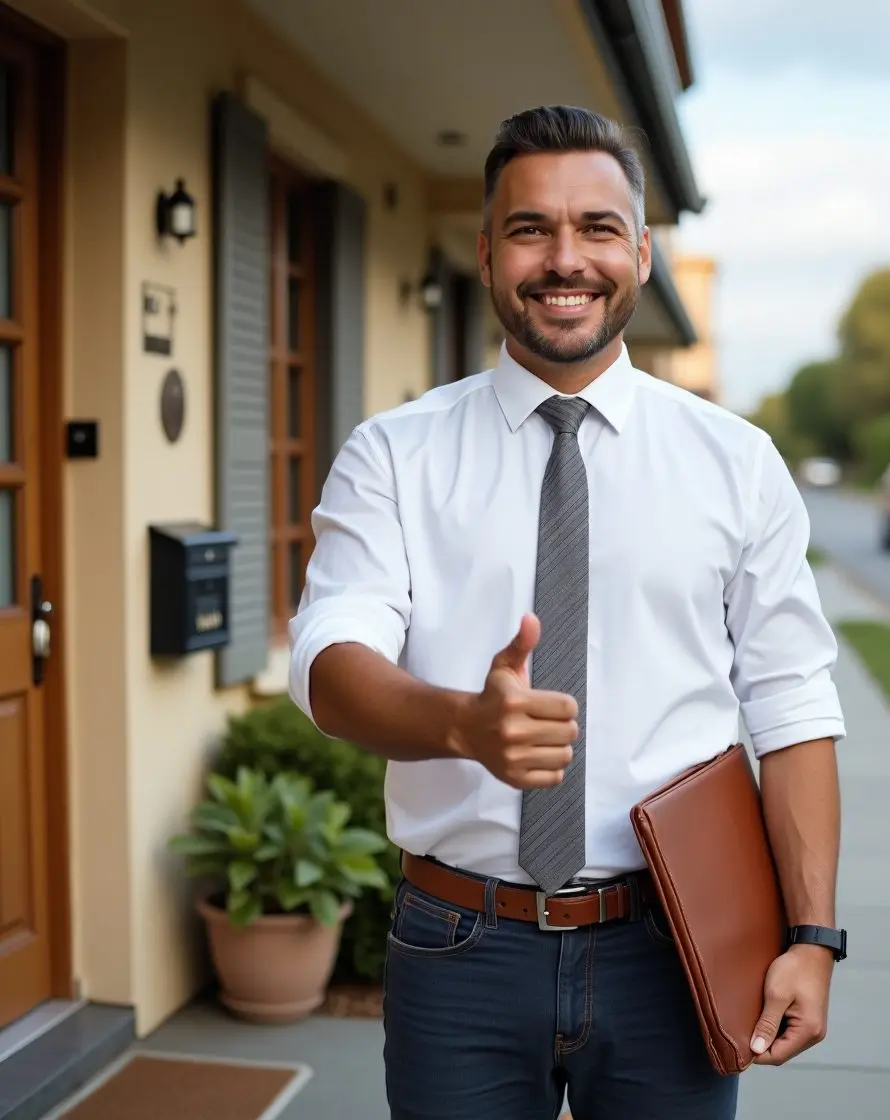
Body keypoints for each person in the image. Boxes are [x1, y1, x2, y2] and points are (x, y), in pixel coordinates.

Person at [288, 105, 846, 1120]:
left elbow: (791, 702)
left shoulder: (736, 464)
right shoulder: (394, 455)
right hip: (458, 949)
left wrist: (811, 935)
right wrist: (461, 724)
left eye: (596, 227)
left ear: (641, 252)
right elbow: (330, 662)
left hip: (674, 947)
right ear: (486, 254)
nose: (564, 259)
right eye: (529, 228)